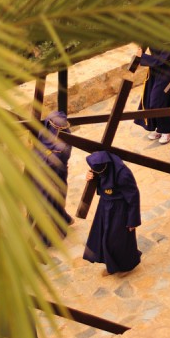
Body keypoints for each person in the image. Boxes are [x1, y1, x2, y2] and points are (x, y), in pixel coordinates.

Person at [83, 151, 142, 275]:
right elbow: (99, 181)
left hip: (120, 208)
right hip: (105, 205)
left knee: (118, 239)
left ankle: (127, 266)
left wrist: (132, 220)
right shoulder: (100, 166)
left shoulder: (122, 174)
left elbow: (133, 197)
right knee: (103, 236)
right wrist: (89, 176)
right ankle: (112, 265)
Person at [34, 111, 74, 245]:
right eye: (55, 128)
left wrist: (43, 156)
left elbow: (59, 160)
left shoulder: (65, 142)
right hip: (40, 178)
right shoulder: (43, 134)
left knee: (53, 202)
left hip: (56, 178)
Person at [133, 46, 170, 144]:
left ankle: (166, 130)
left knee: (158, 101)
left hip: (167, 70)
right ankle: (161, 127)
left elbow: (162, 59)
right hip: (154, 70)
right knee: (156, 100)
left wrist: (143, 57)